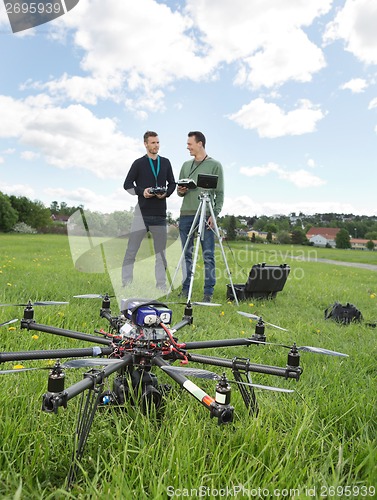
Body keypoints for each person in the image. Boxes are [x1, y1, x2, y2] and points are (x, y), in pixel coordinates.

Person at [122, 131, 176, 290]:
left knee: (161, 255)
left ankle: (161, 285)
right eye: (153, 143)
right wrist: (142, 192)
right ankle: (126, 284)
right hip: (141, 215)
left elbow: (172, 183)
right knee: (131, 251)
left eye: (158, 142)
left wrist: (166, 193)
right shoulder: (138, 163)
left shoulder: (165, 162)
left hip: (160, 215)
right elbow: (127, 184)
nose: (156, 145)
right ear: (145, 144)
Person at [177, 131, 224, 302]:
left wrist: (215, 214)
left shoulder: (215, 165)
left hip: (206, 215)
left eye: (190, 144)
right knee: (186, 254)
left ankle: (208, 293)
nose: (187, 147)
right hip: (186, 214)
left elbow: (220, 193)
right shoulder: (185, 165)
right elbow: (179, 192)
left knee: (208, 254)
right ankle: (185, 289)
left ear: (200, 144)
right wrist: (181, 190)